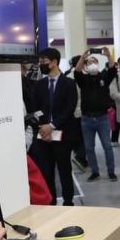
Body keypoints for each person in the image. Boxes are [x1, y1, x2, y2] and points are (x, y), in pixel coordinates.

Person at [31, 48, 78, 205]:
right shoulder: (39, 85)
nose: (41, 64)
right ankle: (51, 203)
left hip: (63, 135)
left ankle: (68, 202)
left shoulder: (69, 84)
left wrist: (52, 125)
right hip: (43, 136)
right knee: (46, 172)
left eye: (44, 61)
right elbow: (35, 108)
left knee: (65, 171)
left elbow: (69, 108)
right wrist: (43, 127)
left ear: (54, 62)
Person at [74, 50, 118, 182]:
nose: (92, 64)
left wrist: (109, 56)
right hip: (86, 119)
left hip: (102, 118)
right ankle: (95, 172)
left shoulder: (104, 77)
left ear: (98, 64)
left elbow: (112, 69)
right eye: (89, 62)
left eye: (94, 61)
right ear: (86, 66)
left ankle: (111, 172)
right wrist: (83, 57)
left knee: (107, 146)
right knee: (89, 147)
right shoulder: (83, 79)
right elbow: (76, 71)